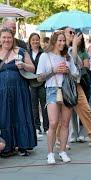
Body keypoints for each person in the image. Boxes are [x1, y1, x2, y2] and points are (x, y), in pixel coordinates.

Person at [37, 31, 79, 164]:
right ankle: (50, 153)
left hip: (66, 90)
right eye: (59, 41)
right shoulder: (45, 56)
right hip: (52, 90)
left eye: (63, 41)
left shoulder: (67, 57)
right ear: (54, 41)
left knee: (65, 123)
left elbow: (76, 74)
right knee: (53, 123)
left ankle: (62, 151)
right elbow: (39, 77)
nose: (61, 43)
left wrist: (68, 72)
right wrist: (54, 70)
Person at [63, 27, 91, 145]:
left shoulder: (73, 48)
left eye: (74, 33)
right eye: (70, 33)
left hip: (76, 83)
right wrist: (75, 46)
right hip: (65, 85)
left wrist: (75, 48)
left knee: (86, 109)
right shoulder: (61, 48)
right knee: (65, 115)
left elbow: (80, 63)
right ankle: (62, 140)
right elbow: (69, 60)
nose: (73, 35)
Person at [0, 28, 37, 157]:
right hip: (2, 92)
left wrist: (24, 65)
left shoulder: (21, 51)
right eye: (4, 37)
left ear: (13, 39)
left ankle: (23, 145)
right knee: (5, 117)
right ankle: (7, 147)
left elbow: (32, 68)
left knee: (21, 115)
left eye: (9, 37)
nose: (6, 40)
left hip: (20, 90)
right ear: (0, 39)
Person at [28, 33, 49, 137]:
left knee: (44, 104)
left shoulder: (43, 53)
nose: (35, 42)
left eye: (37, 40)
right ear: (30, 41)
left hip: (42, 81)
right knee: (34, 106)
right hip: (31, 82)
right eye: (33, 40)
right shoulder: (27, 53)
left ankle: (46, 127)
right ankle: (36, 127)